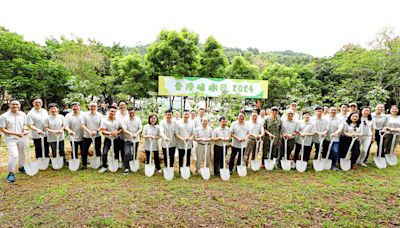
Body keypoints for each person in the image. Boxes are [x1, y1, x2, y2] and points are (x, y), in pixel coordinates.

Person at [0, 100, 29, 183]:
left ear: (19, 105)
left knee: (22, 153)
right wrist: (16, 134)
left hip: (22, 137)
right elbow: (2, 129)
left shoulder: (23, 114)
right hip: (11, 139)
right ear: (9, 105)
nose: (15, 106)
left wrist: (25, 130)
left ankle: (21, 167)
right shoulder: (3, 116)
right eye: (13, 104)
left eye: (17, 104)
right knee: (14, 155)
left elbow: (25, 125)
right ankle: (10, 173)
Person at [99, 106, 123, 173]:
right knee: (104, 153)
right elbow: (103, 130)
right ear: (108, 111)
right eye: (111, 111)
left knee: (116, 152)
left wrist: (117, 132)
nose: (113, 113)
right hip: (108, 139)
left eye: (114, 112)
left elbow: (121, 129)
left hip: (116, 139)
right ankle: (104, 166)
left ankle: (116, 164)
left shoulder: (118, 120)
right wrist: (111, 133)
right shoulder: (104, 120)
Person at [81, 101, 102, 169]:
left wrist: (96, 131)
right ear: (89, 106)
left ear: (97, 107)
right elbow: (82, 125)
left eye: (94, 106)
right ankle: (84, 164)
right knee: (84, 150)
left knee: (97, 150)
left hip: (97, 136)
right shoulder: (84, 115)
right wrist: (89, 131)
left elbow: (102, 125)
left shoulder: (100, 115)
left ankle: (99, 163)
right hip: (87, 136)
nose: (93, 107)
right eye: (91, 106)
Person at [122, 107, 142, 174]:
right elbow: (124, 129)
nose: (131, 114)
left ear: (135, 112)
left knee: (134, 152)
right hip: (127, 139)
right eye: (130, 112)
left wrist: (136, 134)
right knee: (127, 153)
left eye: (133, 112)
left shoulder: (138, 119)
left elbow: (140, 128)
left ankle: (132, 165)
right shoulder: (125, 120)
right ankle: (126, 167)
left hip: (136, 139)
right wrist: (131, 134)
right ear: (128, 112)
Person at [115, 101, 129, 168]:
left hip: (127, 134)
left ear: (126, 106)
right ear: (118, 106)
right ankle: (117, 162)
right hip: (118, 133)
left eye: (123, 105)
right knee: (117, 149)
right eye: (120, 105)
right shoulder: (116, 114)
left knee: (124, 149)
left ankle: (124, 162)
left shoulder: (128, 113)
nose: (122, 106)